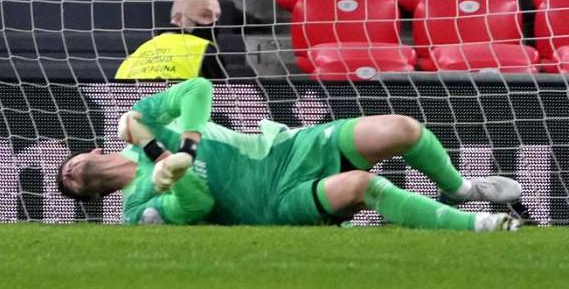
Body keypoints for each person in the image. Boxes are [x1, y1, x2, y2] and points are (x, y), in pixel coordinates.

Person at [55, 77, 523, 230]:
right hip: (272, 203)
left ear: (93, 149)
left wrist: (174, 146)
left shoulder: (141, 125)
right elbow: (196, 204)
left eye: (67, 165)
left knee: (403, 128)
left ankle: (460, 188)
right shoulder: (136, 210)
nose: (68, 172)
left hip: (287, 148)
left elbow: (198, 87)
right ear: (91, 197)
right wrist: (168, 169)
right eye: (67, 183)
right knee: (363, 186)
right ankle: (480, 226)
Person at [119, 0, 252, 80]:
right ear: (178, 19)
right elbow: (218, 102)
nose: (214, 23)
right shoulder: (204, 49)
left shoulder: (133, 57)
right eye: (205, 15)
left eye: (217, 17)